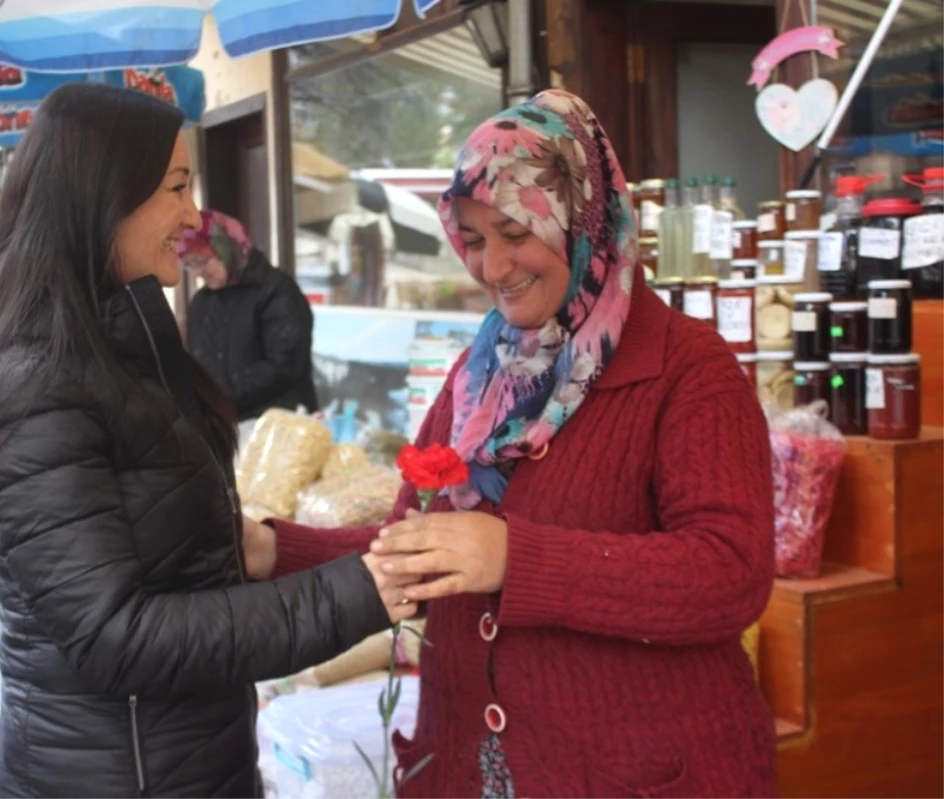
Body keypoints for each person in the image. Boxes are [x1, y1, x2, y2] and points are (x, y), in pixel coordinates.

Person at [244, 90, 777, 798]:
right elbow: (419, 552)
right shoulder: (481, 376)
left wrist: (515, 557)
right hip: (468, 767)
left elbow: (730, 575)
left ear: (580, 217)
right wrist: (273, 548)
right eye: (472, 238)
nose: (492, 267)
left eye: (514, 231)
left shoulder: (685, 367)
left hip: (637, 773)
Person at [0, 84, 415, 799]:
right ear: (103, 194)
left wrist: (243, 544)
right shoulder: (29, 379)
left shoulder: (105, 333)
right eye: (176, 187)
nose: (191, 215)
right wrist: (360, 591)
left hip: (172, 757)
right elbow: (115, 633)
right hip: (124, 775)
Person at [178, 209, 319, 421]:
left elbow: (283, 367)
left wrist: (217, 396)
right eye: (190, 265)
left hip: (278, 424)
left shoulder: (276, 290)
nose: (199, 272)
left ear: (225, 248)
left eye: (202, 261)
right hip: (225, 425)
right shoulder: (202, 302)